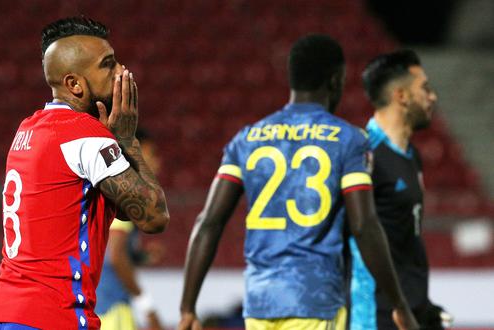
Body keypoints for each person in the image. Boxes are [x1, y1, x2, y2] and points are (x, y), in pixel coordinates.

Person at [178, 34, 418, 330]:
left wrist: (188, 307)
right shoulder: (349, 140)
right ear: (335, 81)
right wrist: (399, 303)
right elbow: (364, 225)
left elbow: (209, 223)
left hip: (259, 305)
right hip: (313, 300)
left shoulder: (246, 139)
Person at [0, 17, 169, 330]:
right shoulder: (85, 135)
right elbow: (154, 216)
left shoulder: (27, 130)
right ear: (75, 84)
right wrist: (127, 141)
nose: (121, 72)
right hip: (53, 315)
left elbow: (120, 207)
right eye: (108, 65)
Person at [350, 50, 452, 330]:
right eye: (425, 88)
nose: (432, 97)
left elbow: (406, 238)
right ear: (401, 96)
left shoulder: (411, 155)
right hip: (374, 316)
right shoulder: (362, 153)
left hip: (409, 311)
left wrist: (422, 304)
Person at [95, 129, 165, 330]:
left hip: (99, 307)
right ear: (135, 154)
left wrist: (140, 257)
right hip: (111, 310)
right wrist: (147, 306)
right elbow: (115, 256)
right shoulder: (125, 195)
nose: (157, 162)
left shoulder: (108, 188)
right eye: (152, 154)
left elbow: (109, 251)